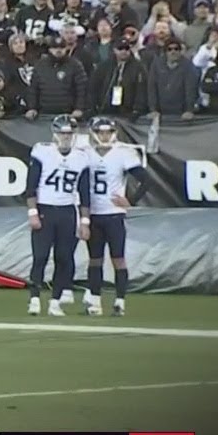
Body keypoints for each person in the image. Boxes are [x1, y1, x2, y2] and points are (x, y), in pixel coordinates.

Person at [26, 115, 91, 317]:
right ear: (55, 134)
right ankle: (34, 298)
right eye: (62, 133)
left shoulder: (81, 158)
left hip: (67, 211)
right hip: (45, 208)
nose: (66, 137)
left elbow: (85, 193)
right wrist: (33, 213)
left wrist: (85, 221)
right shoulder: (42, 152)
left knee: (64, 258)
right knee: (40, 257)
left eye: (69, 133)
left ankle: (55, 301)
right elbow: (30, 186)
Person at [83, 117, 149, 316]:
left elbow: (145, 180)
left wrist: (131, 199)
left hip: (114, 214)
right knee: (95, 260)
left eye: (108, 132)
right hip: (93, 213)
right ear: (94, 133)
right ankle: (95, 301)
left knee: (118, 259)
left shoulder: (123, 153)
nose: (104, 136)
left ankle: (120, 301)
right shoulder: (85, 154)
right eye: (101, 132)